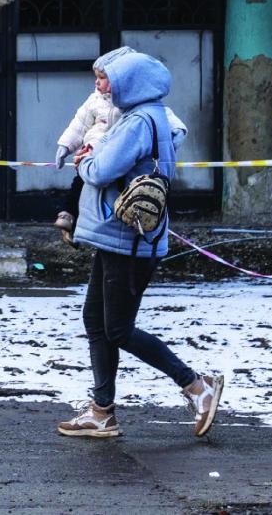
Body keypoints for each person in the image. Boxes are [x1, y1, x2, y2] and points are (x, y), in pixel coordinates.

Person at [55, 48, 224, 440]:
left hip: (128, 241)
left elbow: (100, 170)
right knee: (96, 322)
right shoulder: (149, 116)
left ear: (129, 83)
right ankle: (102, 412)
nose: (104, 88)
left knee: (117, 329)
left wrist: (83, 161)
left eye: (110, 80)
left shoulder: (136, 122)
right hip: (117, 238)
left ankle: (197, 386)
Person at [52, 47, 185, 240]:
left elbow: (170, 122)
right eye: (96, 76)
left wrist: (174, 136)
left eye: (104, 77)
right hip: (94, 153)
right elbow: (79, 124)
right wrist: (66, 145)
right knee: (82, 185)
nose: (97, 82)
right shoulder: (96, 100)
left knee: (106, 190)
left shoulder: (138, 116)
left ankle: (81, 225)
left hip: (111, 159)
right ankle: (72, 218)